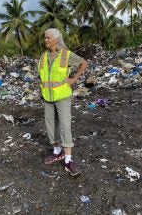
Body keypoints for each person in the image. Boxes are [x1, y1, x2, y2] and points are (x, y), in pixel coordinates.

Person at [38, 28, 88, 177]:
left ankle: (68, 161)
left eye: (48, 38)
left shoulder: (66, 55)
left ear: (56, 39)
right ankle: (57, 152)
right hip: (47, 98)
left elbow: (83, 63)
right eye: (45, 38)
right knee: (50, 126)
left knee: (65, 127)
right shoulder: (43, 56)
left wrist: (74, 78)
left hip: (62, 97)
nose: (45, 40)